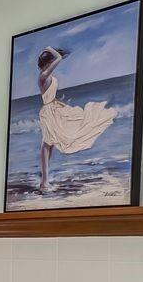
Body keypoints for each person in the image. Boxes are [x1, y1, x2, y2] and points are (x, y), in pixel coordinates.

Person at [36, 46, 117, 189]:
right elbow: (59, 58)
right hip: (49, 111)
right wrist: (51, 50)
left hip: (54, 108)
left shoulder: (47, 76)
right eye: (50, 62)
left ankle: (45, 179)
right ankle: (44, 181)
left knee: (51, 143)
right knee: (47, 143)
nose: (51, 65)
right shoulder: (44, 75)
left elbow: (50, 94)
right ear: (47, 63)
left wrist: (58, 102)